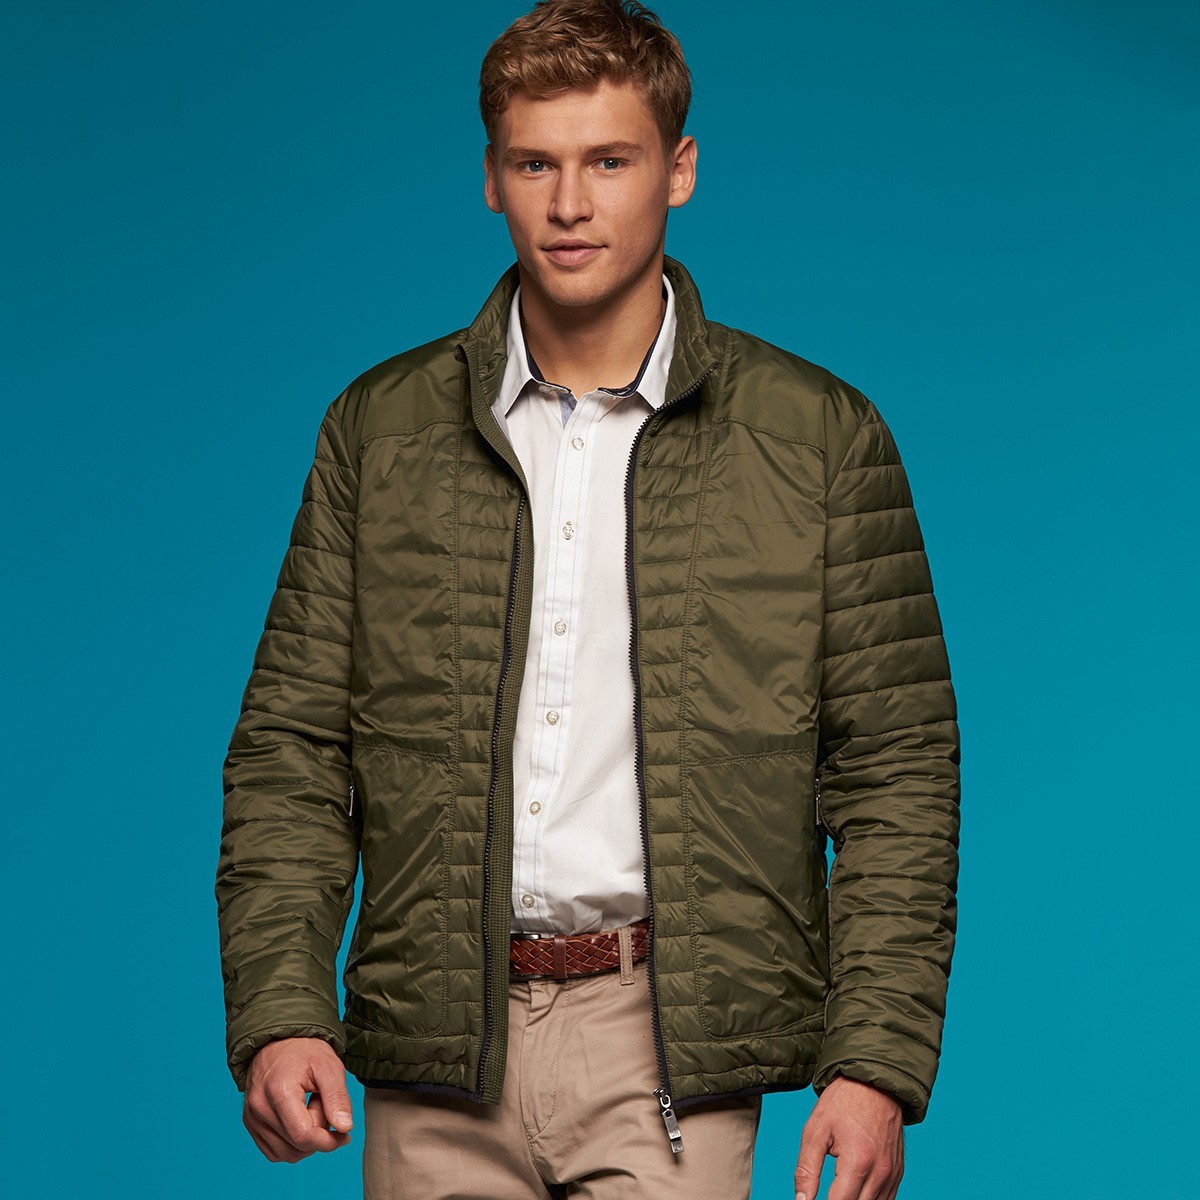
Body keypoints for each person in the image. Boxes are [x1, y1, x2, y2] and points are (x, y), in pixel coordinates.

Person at [215, 2, 960, 1197]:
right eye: (535, 164)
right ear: (491, 179)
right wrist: (280, 1012)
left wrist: (870, 1064)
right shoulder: (379, 431)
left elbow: (896, 771)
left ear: (679, 170)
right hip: (435, 1047)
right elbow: (292, 749)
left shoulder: (818, 439)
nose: (570, 204)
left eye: (610, 161)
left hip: (666, 1044)